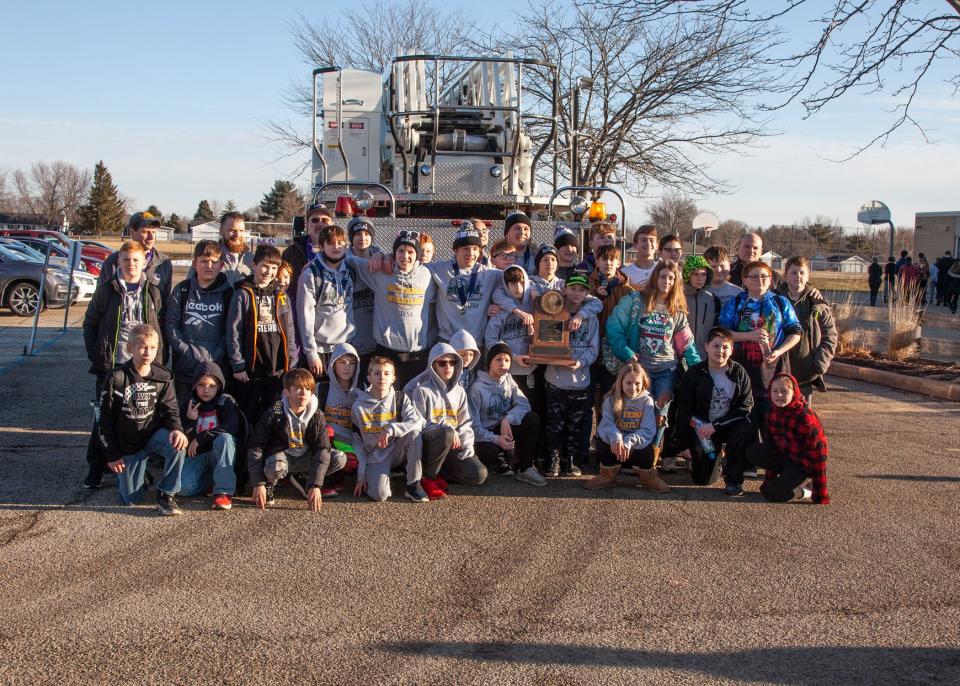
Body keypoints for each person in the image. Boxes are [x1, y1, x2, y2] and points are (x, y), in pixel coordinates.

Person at [82, 241, 164, 489]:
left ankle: (140, 468)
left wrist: (158, 360)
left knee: (141, 417)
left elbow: (159, 327)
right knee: (103, 419)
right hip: (113, 365)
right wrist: (97, 354)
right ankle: (96, 468)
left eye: (136, 260)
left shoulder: (153, 291)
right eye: (126, 260)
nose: (131, 265)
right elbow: (90, 323)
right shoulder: (108, 290)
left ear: (144, 263)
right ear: (119, 262)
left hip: (143, 367)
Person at [606, 260, 701, 470]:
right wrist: (628, 354)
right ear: (654, 278)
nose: (666, 281)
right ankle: (630, 458)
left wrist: (700, 369)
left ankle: (650, 462)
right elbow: (614, 328)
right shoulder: (635, 301)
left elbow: (687, 344)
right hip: (639, 370)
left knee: (660, 416)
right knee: (634, 412)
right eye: (662, 276)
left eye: (671, 277)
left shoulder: (677, 310)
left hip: (666, 371)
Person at [97, 324, 187, 515]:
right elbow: (104, 419)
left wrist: (177, 429)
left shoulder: (163, 376)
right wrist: (112, 455)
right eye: (142, 347)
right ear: (130, 348)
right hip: (128, 444)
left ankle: (167, 494)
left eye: (153, 348)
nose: (148, 352)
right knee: (130, 499)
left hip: (152, 436)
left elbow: (171, 409)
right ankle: (142, 476)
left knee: (178, 443)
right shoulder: (116, 377)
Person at [247, 368, 346, 511]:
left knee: (339, 458)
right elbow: (256, 446)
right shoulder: (275, 411)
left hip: (305, 456)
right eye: (298, 388)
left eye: (307, 388)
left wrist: (316, 485)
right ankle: (270, 483)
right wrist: (258, 483)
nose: (304, 392)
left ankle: (307, 480)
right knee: (277, 467)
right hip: (281, 457)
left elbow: (322, 449)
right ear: (286, 392)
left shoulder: (317, 414)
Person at [718, 260, 801, 428]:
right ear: (745, 280)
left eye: (764, 276)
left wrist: (779, 351)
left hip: (774, 370)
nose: (760, 280)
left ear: (771, 279)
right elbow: (722, 334)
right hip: (743, 369)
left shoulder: (780, 302)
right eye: (754, 276)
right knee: (746, 423)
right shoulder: (735, 303)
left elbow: (795, 332)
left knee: (774, 423)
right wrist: (750, 335)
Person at [673, 327, 757, 488]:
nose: (720, 351)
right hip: (703, 428)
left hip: (727, 426)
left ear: (732, 349)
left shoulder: (739, 373)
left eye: (725, 347)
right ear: (706, 347)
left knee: (745, 427)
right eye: (716, 346)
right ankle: (714, 459)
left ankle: (733, 480)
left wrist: (716, 425)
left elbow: (744, 408)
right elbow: (684, 409)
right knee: (703, 480)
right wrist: (682, 445)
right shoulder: (695, 373)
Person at [350, 230, 435, 387]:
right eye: (400, 251)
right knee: (386, 398)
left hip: (416, 353)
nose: (405, 256)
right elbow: (350, 259)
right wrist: (379, 254)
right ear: (394, 253)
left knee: (413, 399)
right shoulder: (381, 272)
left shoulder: (429, 275)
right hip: (387, 350)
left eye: (410, 252)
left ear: (417, 254)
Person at [226, 244, 296, 428]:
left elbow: (289, 332)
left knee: (275, 416)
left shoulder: (281, 296)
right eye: (264, 266)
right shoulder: (243, 294)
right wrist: (238, 364)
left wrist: (291, 362)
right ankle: (246, 453)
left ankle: (271, 454)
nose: (268, 271)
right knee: (249, 416)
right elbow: (234, 331)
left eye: (273, 268)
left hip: (277, 370)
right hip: (251, 371)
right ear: (254, 265)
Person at [405, 343, 487, 498]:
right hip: (429, 446)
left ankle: (440, 472)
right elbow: (417, 424)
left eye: (452, 362)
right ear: (432, 366)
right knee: (447, 433)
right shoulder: (422, 390)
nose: (448, 367)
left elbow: (465, 423)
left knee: (479, 474)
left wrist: (468, 445)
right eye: (442, 363)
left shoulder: (460, 392)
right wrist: (445, 427)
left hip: (452, 447)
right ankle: (426, 478)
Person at [735, 374, 830, 503]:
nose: (779, 395)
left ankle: (806, 490)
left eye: (784, 391)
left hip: (804, 465)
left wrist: (820, 493)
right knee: (753, 451)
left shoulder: (805, 417)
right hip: (786, 457)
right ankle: (783, 482)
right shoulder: (771, 413)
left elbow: (819, 455)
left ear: (794, 392)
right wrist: (769, 481)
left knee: (773, 495)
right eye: (775, 391)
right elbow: (771, 447)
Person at [543, 274, 600, 477]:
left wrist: (580, 362)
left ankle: (572, 459)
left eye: (581, 290)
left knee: (575, 423)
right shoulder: (553, 312)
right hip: (555, 379)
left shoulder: (590, 318)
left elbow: (594, 348)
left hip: (580, 380)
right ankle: (554, 459)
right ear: (565, 289)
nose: (576, 293)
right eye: (573, 288)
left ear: (586, 293)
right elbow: (544, 342)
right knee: (554, 423)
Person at [165, 240, 234, 402]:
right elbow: (171, 325)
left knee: (212, 420)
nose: (209, 266)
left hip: (216, 369)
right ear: (195, 263)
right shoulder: (182, 290)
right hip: (186, 368)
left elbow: (230, 330)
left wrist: (215, 356)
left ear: (221, 265)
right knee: (185, 417)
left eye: (214, 262)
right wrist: (188, 352)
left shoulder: (228, 293)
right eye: (203, 261)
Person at [351, 356, 428, 503]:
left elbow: (415, 422)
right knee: (380, 496)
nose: (382, 377)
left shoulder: (400, 398)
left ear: (393, 378)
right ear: (369, 377)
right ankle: (381, 477)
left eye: (387, 373)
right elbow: (357, 442)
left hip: (397, 451)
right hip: (374, 456)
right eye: (377, 373)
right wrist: (361, 476)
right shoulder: (358, 407)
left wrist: (391, 429)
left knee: (414, 434)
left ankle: (412, 484)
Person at [469, 343, 546, 486]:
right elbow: (473, 427)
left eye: (507, 360)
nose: (503, 364)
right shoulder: (477, 388)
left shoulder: (509, 380)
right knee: (488, 451)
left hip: (504, 428)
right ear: (490, 362)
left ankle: (525, 467)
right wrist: (496, 438)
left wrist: (507, 419)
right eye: (498, 360)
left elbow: (524, 404)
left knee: (532, 418)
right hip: (486, 434)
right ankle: (500, 458)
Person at [584, 362, 667, 493]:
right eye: (629, 383)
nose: (633, 388)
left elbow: (647, 430)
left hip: (634, 449)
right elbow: (606, 424)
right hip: (616, 449)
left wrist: (629, 441)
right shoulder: (610, 399)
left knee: (647, 447)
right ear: (620, 382)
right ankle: (608, 475)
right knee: (602, 441)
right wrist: (616, 439)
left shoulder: (647, 401)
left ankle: (647, 477)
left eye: (637, 383)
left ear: (643, 382)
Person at [178, 362, 241, 510]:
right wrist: (189, 420)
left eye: (211, 385)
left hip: (219, 454)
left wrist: (201, 438)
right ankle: (210, 483)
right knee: (182, 488)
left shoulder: (225, 401)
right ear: (194, 385)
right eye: (201, 385)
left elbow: (232, 427)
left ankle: (223, 492)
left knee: (225, 438)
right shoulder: (189, 403)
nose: (206, 390)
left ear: (219, 386)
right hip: (198, 457)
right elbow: (181, 437)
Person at [776, 257, 837, 403]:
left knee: (803, 418)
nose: (798, 276)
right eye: (793, 272)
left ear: (809, 275)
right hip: (778, 369)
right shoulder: (773, 300)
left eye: (802, 272)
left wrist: (820, 364)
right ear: (785, 276)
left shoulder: (817, 303)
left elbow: (830, 335)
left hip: (805, 371)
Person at [298, 224, 355, 377]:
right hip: (320, 349)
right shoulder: (311, 274)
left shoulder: (351, 269)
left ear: (346, 245)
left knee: (344, 397)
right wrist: (310, 352)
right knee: (320, 396)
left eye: (340, 242)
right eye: (330, 243)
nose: (336, 247)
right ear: (322, 246)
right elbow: (305, 315)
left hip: (345, 345)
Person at [315, 342, 362, 496]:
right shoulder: (321, 389)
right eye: (342, 362)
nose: (347, 367)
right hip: (331, 441)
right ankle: (327, 480)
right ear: (333, 365)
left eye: (352, 363)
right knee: (326, 433)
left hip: (356, 443)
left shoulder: (363, 389)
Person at [485, 265, 538, 390]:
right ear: (506, 285)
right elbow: (490, 340)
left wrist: (533, 334)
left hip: (530, 369)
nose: (518, 287)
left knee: (531, 405)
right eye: (513, 283)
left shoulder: (534, 303)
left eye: (521, 282)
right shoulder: (500, 308)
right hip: (507, 370)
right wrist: (512, 356)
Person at [98, 211, 173, 298]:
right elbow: (100, 300)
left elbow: (166, 301)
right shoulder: (113, 261)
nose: (151, 237)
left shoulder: (163, 263)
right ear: (132, 232)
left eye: (153, 232)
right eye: (146, 232)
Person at [281, 202, 334, 287]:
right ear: (307, 225)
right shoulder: (291, 253)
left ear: (332, 224)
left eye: (325, 220)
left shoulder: (341, 251)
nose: (320, 224)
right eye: (315, 220)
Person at [682, 255, 720, 360]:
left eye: (703, 274)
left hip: (705, 356)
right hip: (681, 356)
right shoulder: (678, 298)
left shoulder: (713, 300)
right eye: (695, 274)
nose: (700, 278)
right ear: (687, 275)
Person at [216, 212, 255, 287]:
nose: (237, 235)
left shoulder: (252, 259)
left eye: (241, 231)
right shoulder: (208, 258)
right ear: (221, 231)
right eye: (232, 230)